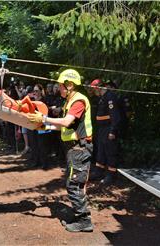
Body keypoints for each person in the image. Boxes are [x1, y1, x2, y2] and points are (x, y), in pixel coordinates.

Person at [27, 69, 94, 232]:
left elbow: (66, 121)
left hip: (79, 147)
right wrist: (45, 125)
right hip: (74, 147)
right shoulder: (70, 101)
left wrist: (44, 118)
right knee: (74, 182)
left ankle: (84, 220)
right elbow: (65, 126)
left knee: (74, 184)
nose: (59, 88)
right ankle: (79, 215)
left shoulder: (78, 101)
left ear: (69, 85)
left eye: (60, 85)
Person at [89, 79, 122, 185]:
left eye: (94, 89)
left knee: (110, 152)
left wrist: (113, 131)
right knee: (101, 150)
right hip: (101, 129)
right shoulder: (102, 98)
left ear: (98, 87)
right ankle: (99, 171)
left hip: (109, 128)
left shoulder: (110, 97)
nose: (94, 92)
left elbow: (115, 116)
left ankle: (111, 175)